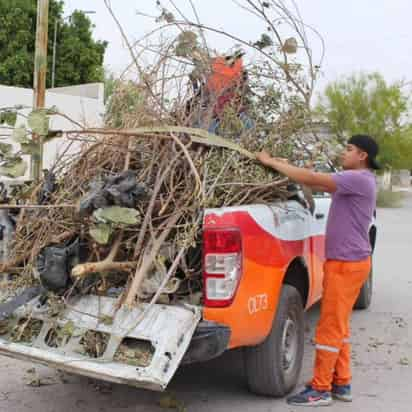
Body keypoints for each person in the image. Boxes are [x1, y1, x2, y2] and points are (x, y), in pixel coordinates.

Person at [256, 134, 379, 407]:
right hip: (348, 262)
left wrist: (269, 162)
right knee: (339, 327)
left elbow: (311, 179)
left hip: (347, 264)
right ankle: (342, 382)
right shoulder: (358, 180)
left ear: (362, 156)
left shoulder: (357, 179)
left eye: (349, 149)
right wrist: (279, 163)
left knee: (328, 330)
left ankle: (321, 389)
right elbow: (309, 176)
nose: (343, 153)